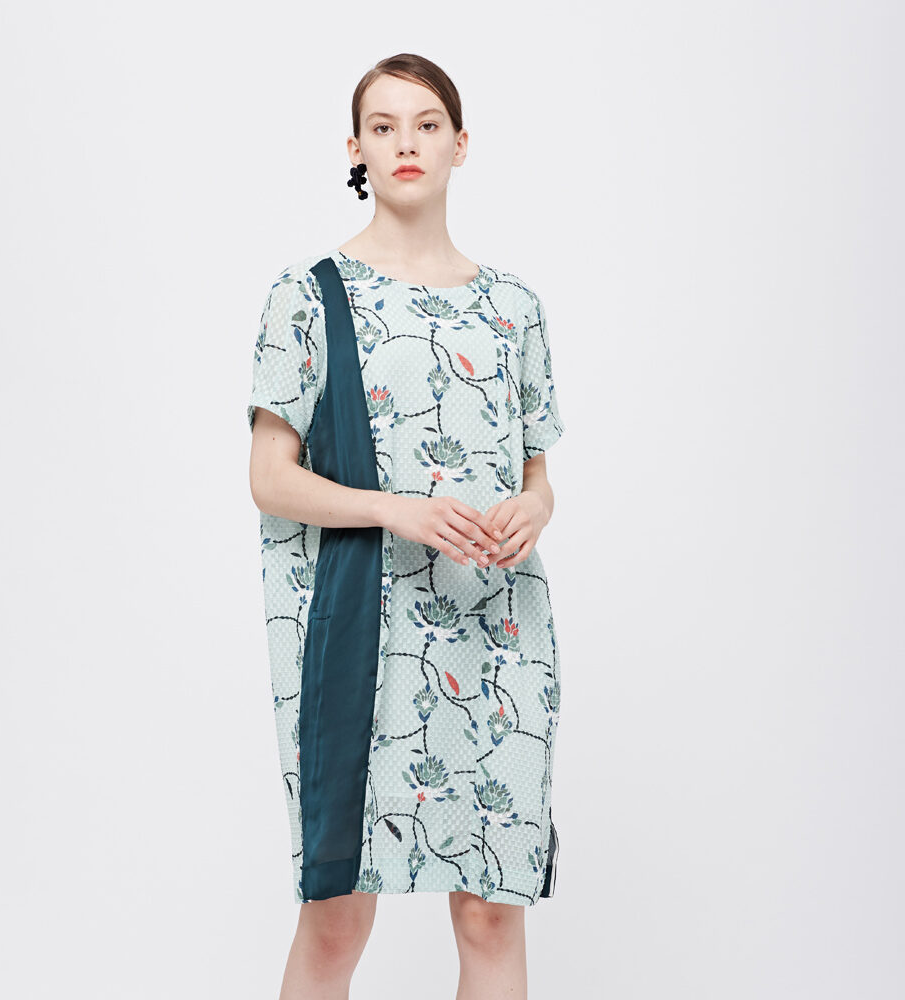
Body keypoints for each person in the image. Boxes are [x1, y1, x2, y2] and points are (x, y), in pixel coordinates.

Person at [247, 53, 566, 999]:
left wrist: (533, 508)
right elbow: (268, 478)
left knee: (491, 911)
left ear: (460, 144)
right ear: (356, 149)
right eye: (382, 127)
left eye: (426, 124)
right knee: (338, 915)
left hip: (499, 629)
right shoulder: (309, 296)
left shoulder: (514, 307)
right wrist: (396, 508)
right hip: (362, 634)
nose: (405, 143)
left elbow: (538, 472)